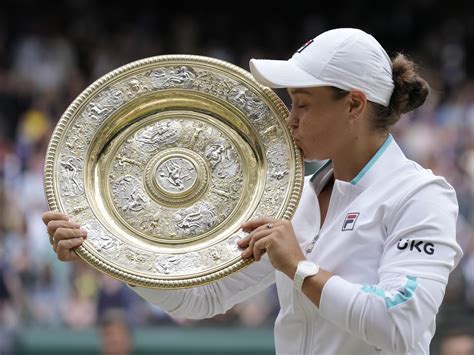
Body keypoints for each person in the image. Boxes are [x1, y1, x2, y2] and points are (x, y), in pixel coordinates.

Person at [42, 28, 463, 354]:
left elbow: (399, 324)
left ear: (354, 105)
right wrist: (107, 249)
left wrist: (299, 268)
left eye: (303, 103)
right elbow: (202, 299)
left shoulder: (420, 196)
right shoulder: (294, 200)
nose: (289, 119)